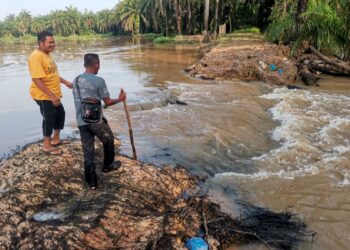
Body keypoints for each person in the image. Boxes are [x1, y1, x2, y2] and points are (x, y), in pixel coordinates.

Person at [73, 53, 126, 190]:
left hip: (81, 120)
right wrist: (120, 99)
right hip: (95, 119)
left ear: (85, 65)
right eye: (99, 65)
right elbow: (107, 102)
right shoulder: (99, 81)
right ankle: (108, 166)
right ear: (96, 65)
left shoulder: (76, 80)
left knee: (87, 151)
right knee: (108, 139)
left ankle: (92, 183)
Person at [28, 31, 73, 155]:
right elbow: (36, 79)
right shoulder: (36, 56)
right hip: (43, 94)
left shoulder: (47, 55)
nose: (53, 44)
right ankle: (47, 145)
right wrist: (52, 96)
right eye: (50, 42)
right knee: (49, 117)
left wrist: (66, 82)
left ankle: (56, 139)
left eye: (54, 42)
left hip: (53, 93)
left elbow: (52, 74)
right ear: (41, 43)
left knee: (60, 114)